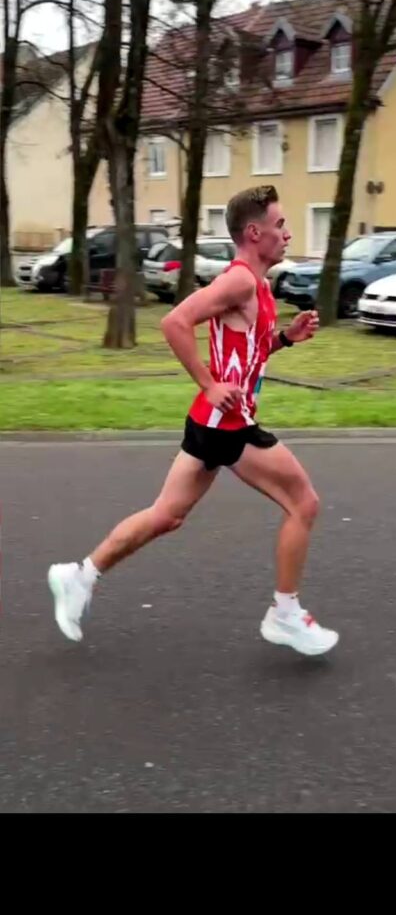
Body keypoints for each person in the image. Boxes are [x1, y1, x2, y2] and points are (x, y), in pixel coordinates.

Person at [48, 185, 338, 657]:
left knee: (167, 515)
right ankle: (285, 613)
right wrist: (208, 383)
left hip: (211, 423)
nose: (287, 234)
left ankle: (79, 575)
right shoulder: (240, 281)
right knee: (304, 503)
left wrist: (286, 337)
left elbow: (250, 349)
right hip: (228, 425)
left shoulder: (259, 287)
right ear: (254, 232)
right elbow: (174, 323)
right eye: (280, 225)